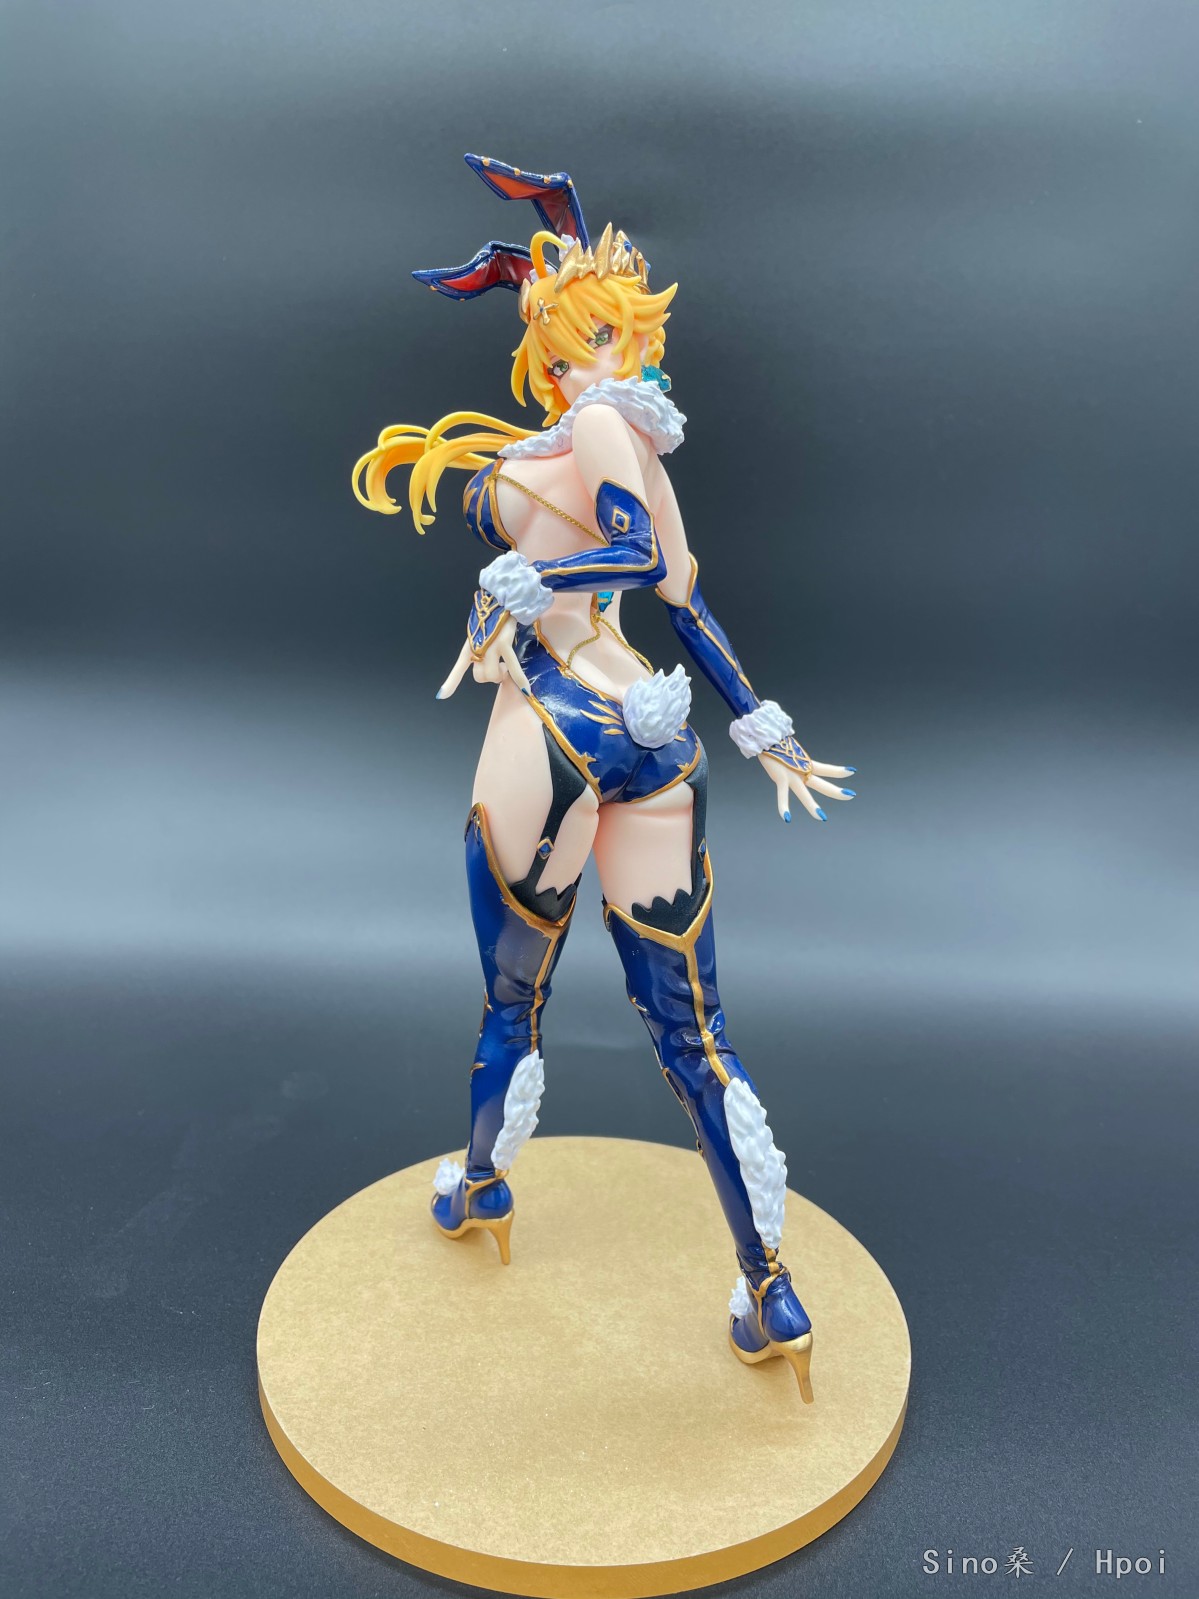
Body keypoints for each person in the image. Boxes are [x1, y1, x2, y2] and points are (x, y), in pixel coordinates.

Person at [353, 156, 858, 1403]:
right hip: (652, 732)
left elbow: (629, 557)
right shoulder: (618, 440)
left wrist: (531, 580)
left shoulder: (592, 429)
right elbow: (684, 600)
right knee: (694, 1034)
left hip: (554, 720)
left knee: (510, 1001)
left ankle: (479, 1184)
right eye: (598, 335)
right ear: (556, 343)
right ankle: (769, 1288)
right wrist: (760, 727)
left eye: (621, 334)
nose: (614, 354)